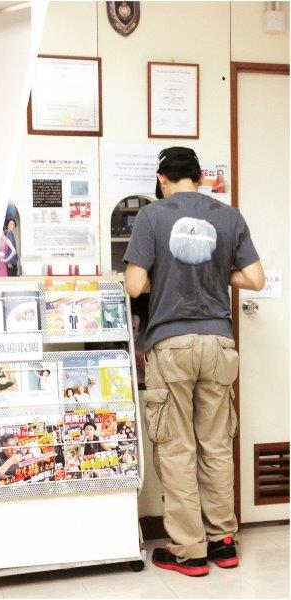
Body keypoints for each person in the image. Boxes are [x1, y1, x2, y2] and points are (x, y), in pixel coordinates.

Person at [124, 147, 264, 576]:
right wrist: (216, 270)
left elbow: (134, 285)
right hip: (219, 344)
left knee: (177, 448)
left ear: (162, 179)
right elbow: (255, 278)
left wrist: (164, 273)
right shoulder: (229, 217)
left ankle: (190, 550)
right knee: (216, 444)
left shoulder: (152, 216)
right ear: (200, 177)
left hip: (171, 344)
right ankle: (223, 542)